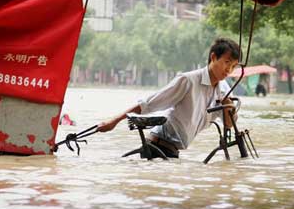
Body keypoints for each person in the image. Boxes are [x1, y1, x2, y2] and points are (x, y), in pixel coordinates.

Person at [98, 38, 240, 158]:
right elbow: (148, 104)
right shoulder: (188, 81)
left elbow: (228, 125)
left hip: (173, 152)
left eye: (233, 66)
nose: (229, 70)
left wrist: (229, 107)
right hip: (157, 147)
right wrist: (113, 121)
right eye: (227, 62)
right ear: (213, 57)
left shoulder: (224, 89)